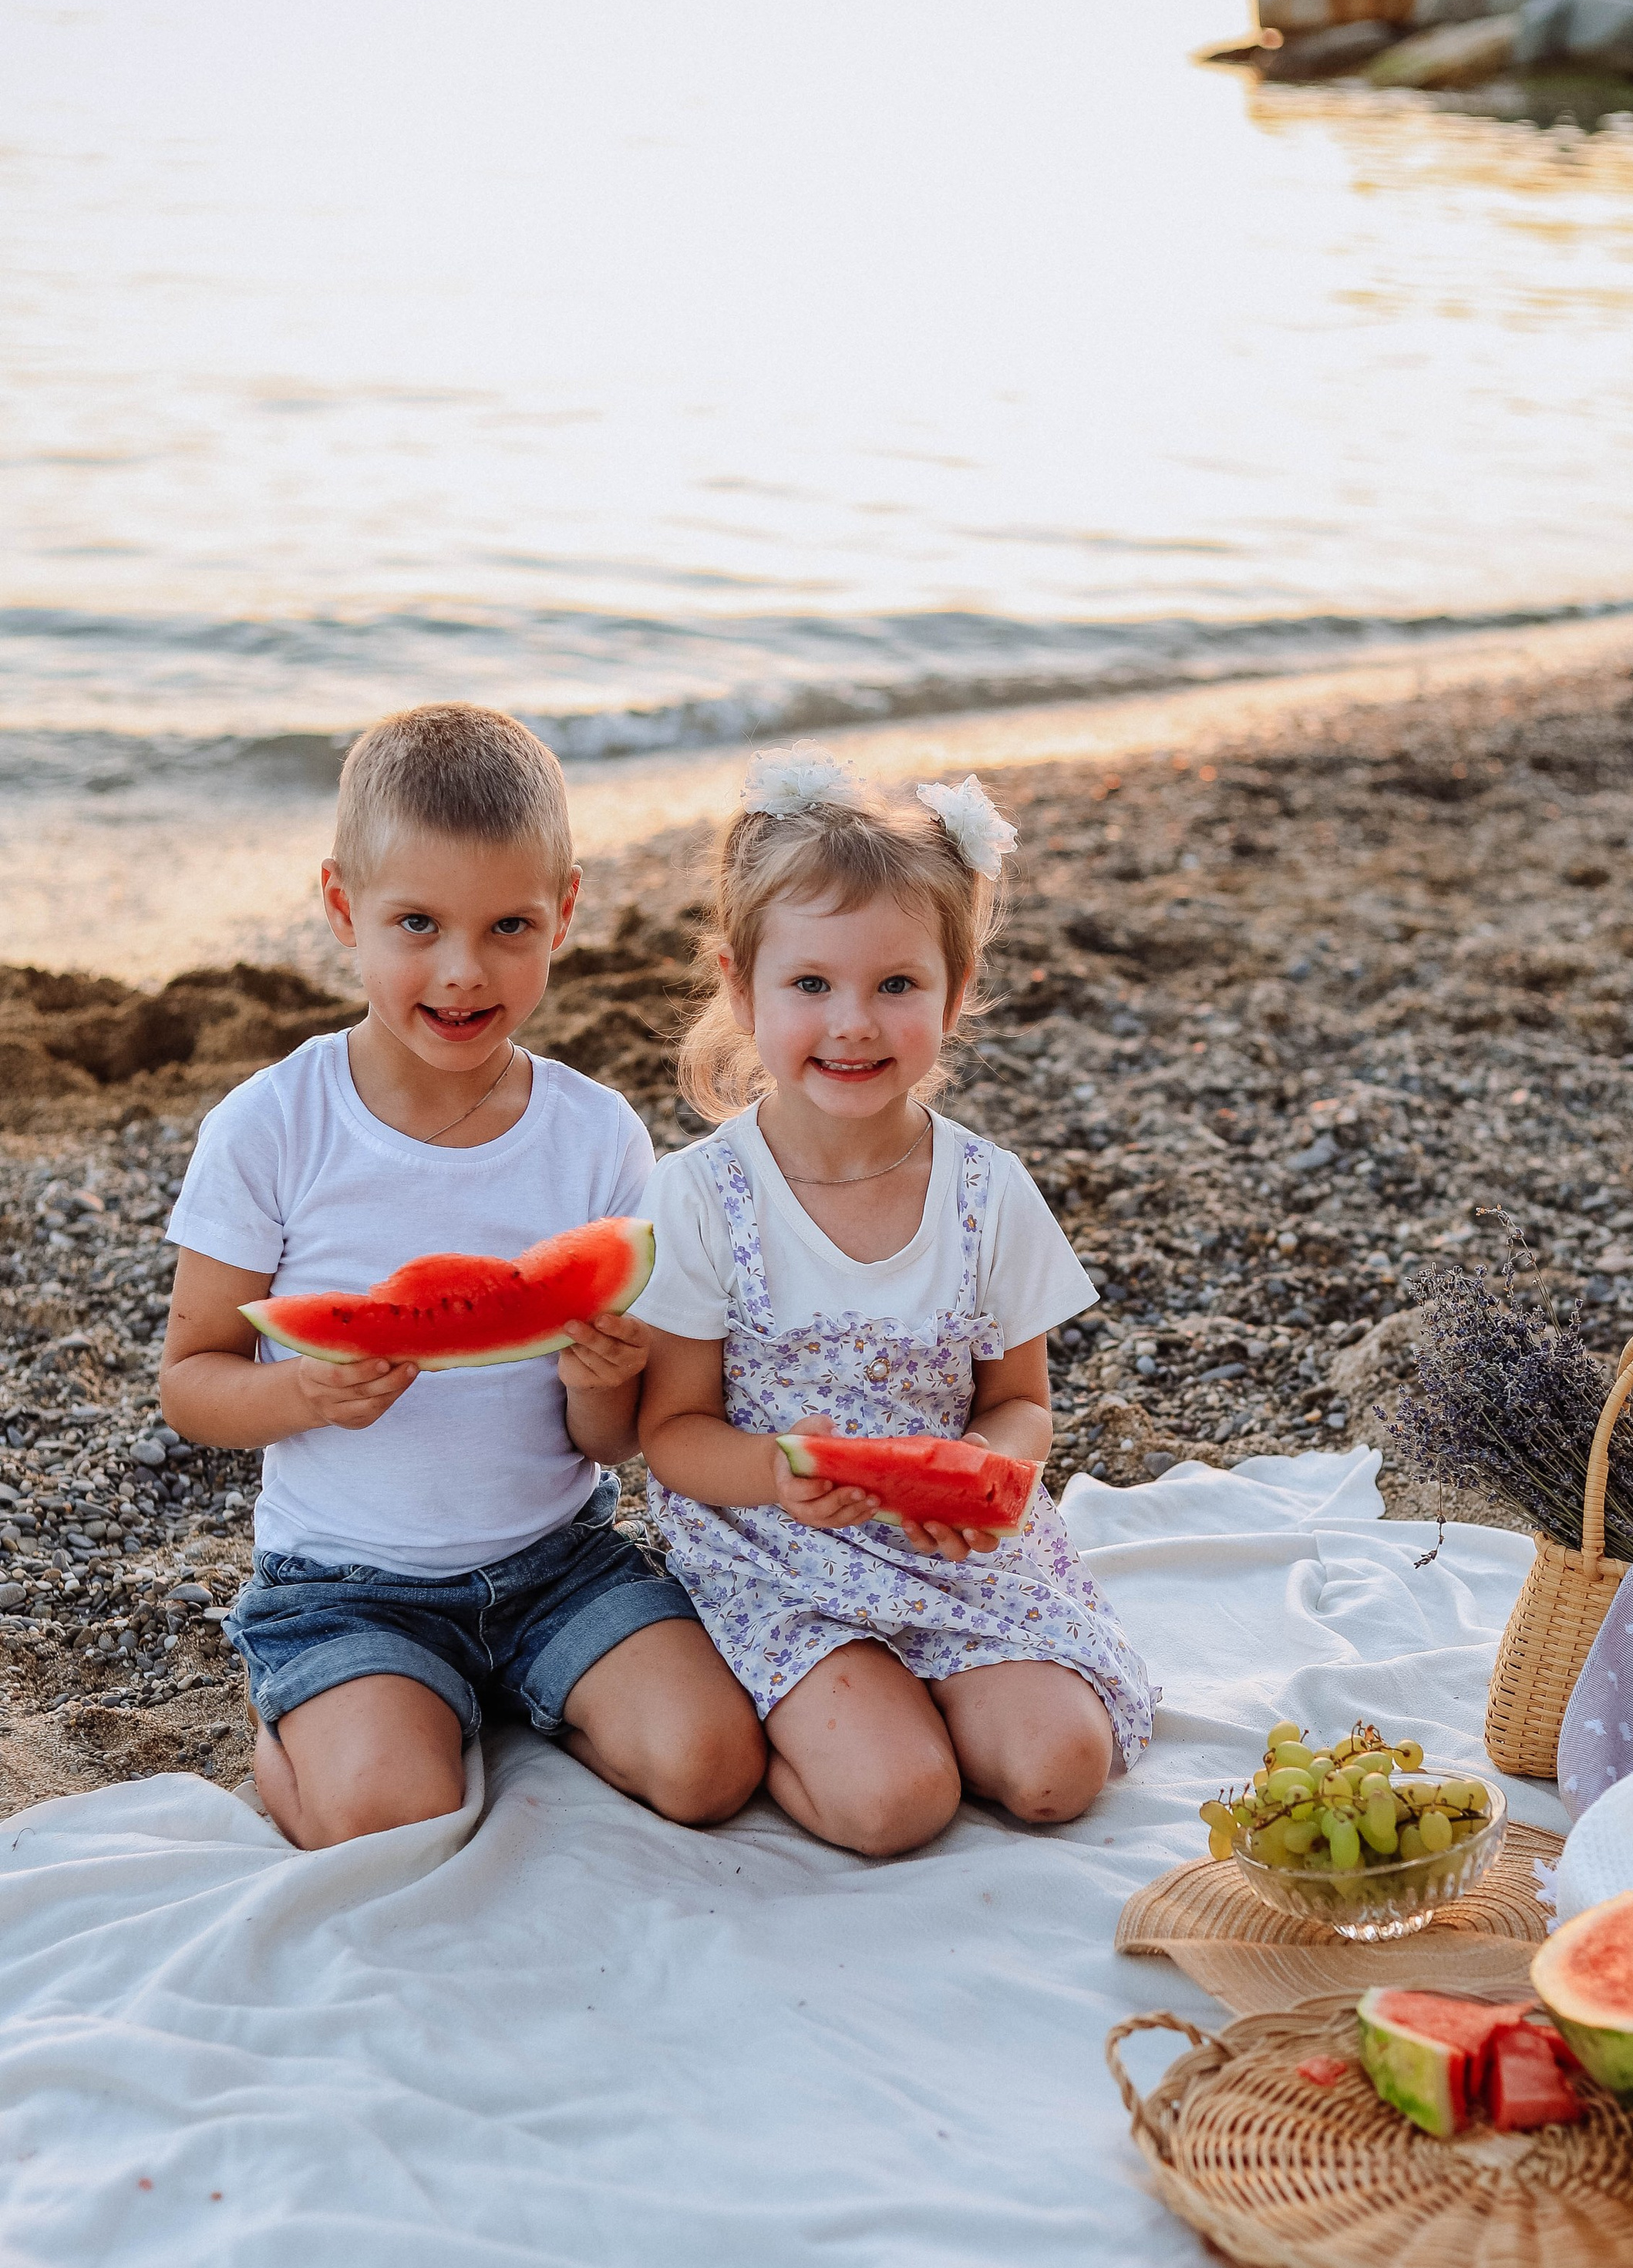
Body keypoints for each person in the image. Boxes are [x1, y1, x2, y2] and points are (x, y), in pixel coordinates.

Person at [160, 702, 766, 1849]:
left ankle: (498, 1700)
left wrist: (603, 1374)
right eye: (418, 923)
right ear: (342, 907)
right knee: (387, 1815)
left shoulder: (597, 1137)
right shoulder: (272, 1127)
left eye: (508, 928)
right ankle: (303, 1728)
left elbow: (606, 1442)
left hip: (558, 1562)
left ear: (566, 912)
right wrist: (305, 1391)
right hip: (344, 1582)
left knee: (713, 1767)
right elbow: (191, 1382)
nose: (461, 971)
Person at [635, 747, 1156, 1859]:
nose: (854, 1024)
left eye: (897, 986)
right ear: (742, 987)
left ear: (956, 993)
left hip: (952, 1540)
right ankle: (809, 1733)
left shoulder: (988, 1190)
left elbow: (1020, 1403)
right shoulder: (699, 1198)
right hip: (776, 1543)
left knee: (1064, 1771)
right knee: (894, 1806)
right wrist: (778, 1470)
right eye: (811, 985)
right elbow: (671, 1436)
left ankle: (924, 1704)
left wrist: (982, 1473)